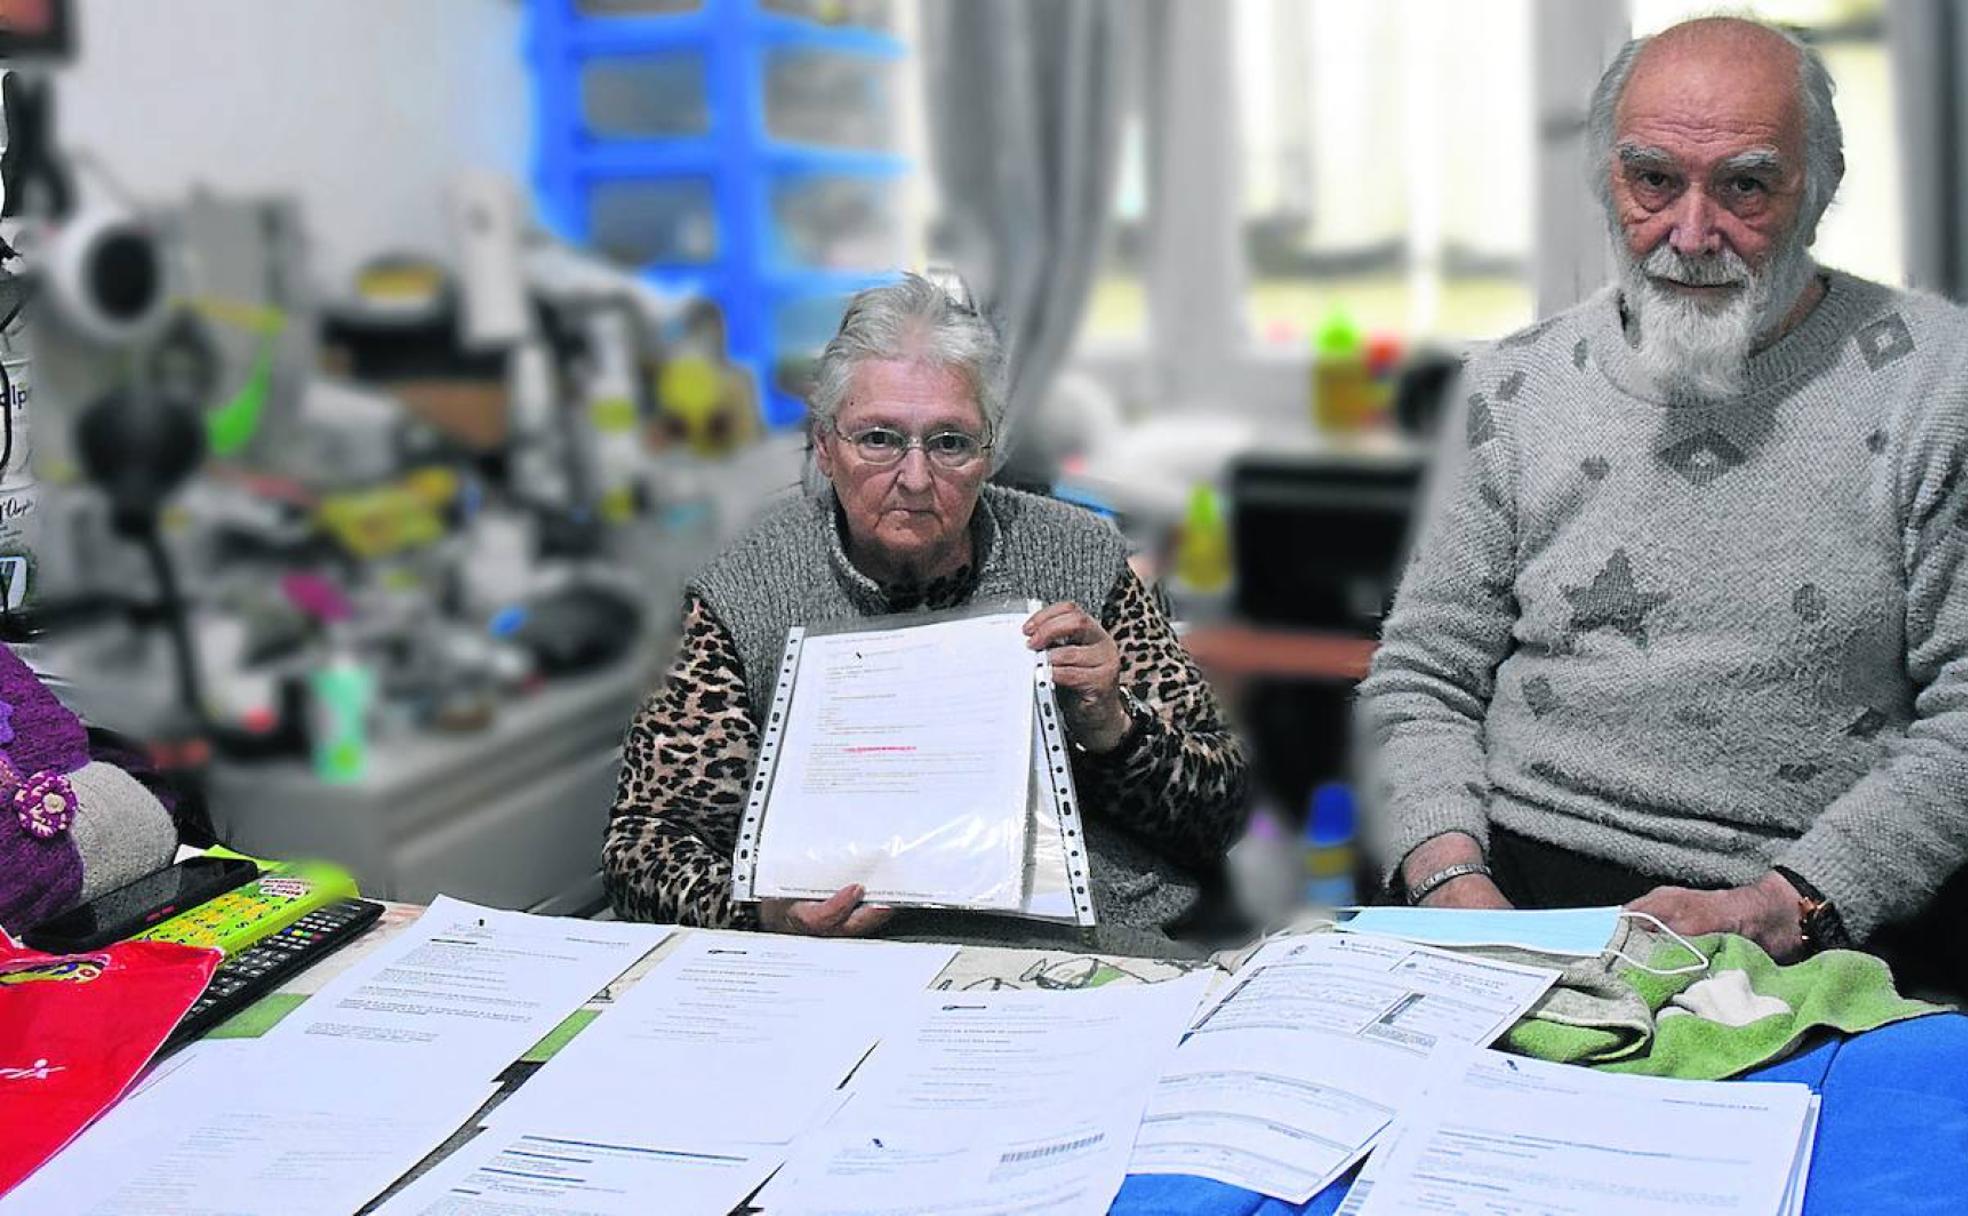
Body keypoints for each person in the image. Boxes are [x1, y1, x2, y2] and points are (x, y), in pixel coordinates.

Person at [1358, 17, 1968, 989]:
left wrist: (1784, 904)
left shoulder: (1940, 383)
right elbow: (1423, 676)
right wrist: (1454, 886)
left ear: (1819, 190)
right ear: (1609, 180)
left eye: (1746, 186)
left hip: (1806, 909)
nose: (1691, 234)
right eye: (1653, 181)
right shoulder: (1512, 384)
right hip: (1511, 884)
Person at [604, 274, 1248, 956]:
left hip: (1089, 944)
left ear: (989, 452)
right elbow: (644, 844)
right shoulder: (745, 583)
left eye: (949, 443)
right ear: (824, 446)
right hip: (845, 961)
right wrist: (760, 915)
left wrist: (1115, 731)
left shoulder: (1077, 556)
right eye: (879, 439)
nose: (915, 478)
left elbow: (1222, 811)